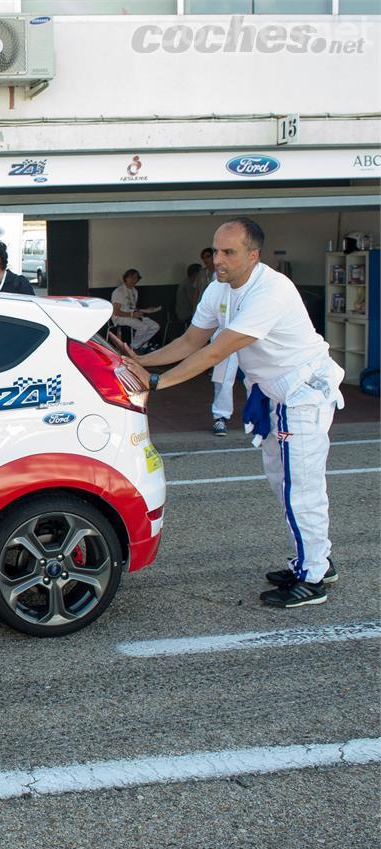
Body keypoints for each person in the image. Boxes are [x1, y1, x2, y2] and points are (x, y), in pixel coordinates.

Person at [129, 217, 344, 609]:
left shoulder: (272, 291)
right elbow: (192, 339)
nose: (218, 260)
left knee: (301, 487)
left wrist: (159, 383)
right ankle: (314, 560)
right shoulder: (219, 288)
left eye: (229, 252)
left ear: (253, 255)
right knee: (283, 482)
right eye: (215, 251)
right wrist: (141, 362)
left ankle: (313, 578)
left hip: (303, 393)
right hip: (273, 393)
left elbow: (216, 351)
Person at [202, 245, 239, 436]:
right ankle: (220, 417)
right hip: (225, 337)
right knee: (223, 379)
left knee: (258, 378)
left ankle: (263, 416)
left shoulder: (260, 284)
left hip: (252, 337)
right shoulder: (215, 287)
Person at [110, 268, 161, 353]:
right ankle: (134, 348)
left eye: (136, 278)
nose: (134, 280)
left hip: (131, 315)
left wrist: (146, 310)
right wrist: (132, 315)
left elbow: (132, 307)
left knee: (155, 326)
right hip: (120, 317)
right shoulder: (119, 291)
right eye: (132, 277)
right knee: (143, 327)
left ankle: (140, 345)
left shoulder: (134, 291)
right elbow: (116, 312)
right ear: (126, 278)